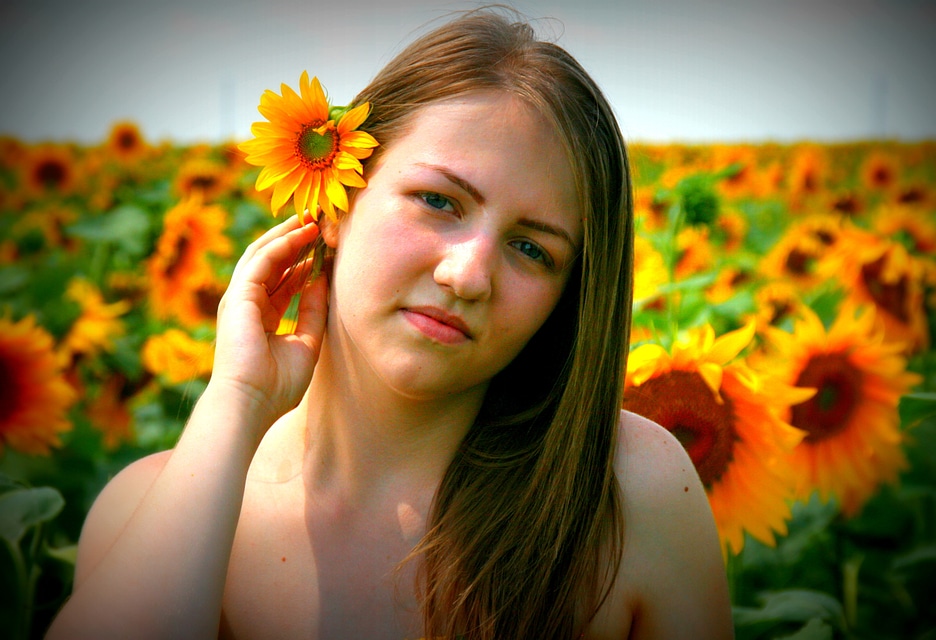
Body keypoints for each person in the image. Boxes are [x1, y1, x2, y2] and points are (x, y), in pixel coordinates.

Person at [47, 7, 732, 639]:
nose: (467, 275)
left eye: (532, 248)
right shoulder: (148, 513)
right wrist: (235, 403)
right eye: (438, 200)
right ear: (337, 198)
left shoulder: (624, 494)